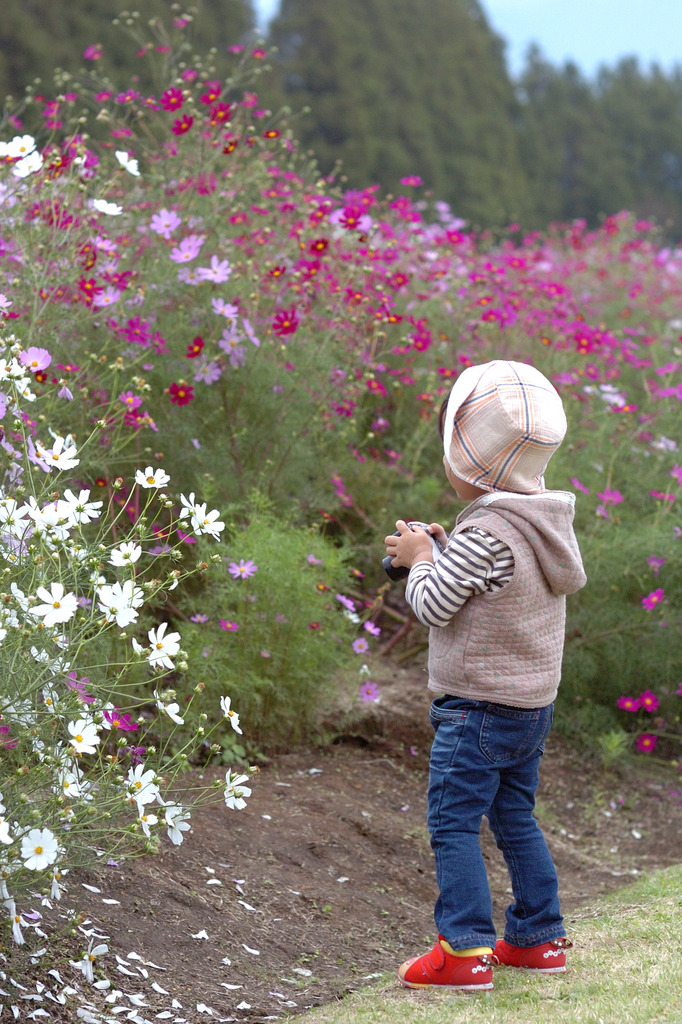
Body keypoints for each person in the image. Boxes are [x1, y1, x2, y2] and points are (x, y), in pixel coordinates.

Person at [384, 359, 586, 992]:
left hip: (477, 708)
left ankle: (464, 950)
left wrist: (419, 559)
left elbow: (434, 605)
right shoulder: (539, 519)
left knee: (452, 822)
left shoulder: (487, 528)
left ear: (468, 457)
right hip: (528, 707)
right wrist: (440, 553)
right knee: (514, 816)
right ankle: (538, 937)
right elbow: (483, 587)